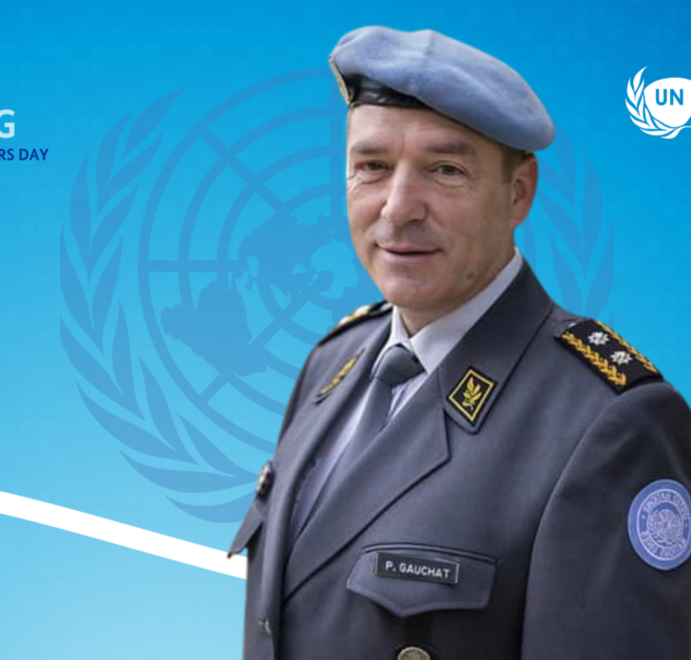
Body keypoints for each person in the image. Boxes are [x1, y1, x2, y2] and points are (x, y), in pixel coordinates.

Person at [230, 26, 691, 660]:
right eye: (372, 167)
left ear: (518, 193)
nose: (398, 209)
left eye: (446, 170)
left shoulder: (610, 425)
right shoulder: (331, 362)